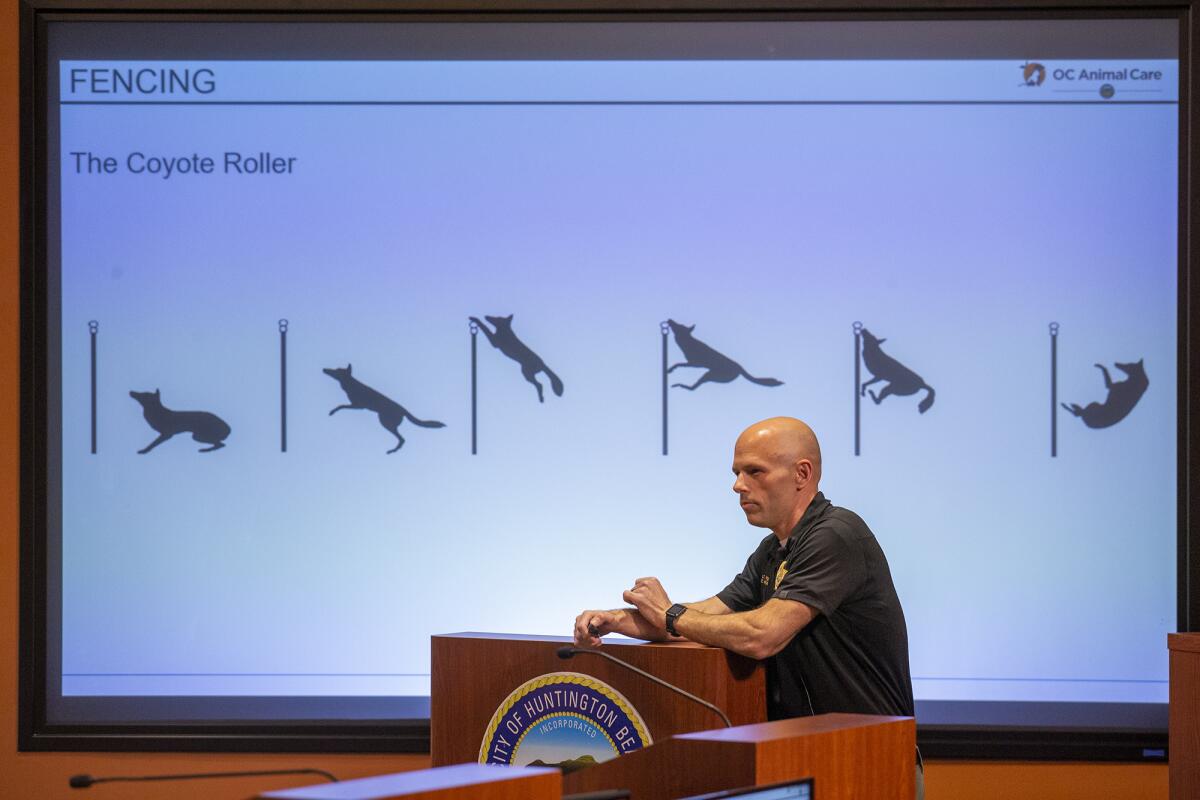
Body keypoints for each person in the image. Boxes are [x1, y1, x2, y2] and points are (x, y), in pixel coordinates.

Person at [573, 416, 921, 797]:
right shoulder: (773, 550)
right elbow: (710, 614)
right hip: (808, 762)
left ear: (802, 474)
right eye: (737, 472)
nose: (738, 485)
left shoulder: (836, 536)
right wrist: (622, 620)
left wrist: (670, 614)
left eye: (754, 471)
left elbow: (762, 635)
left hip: (870, 764)